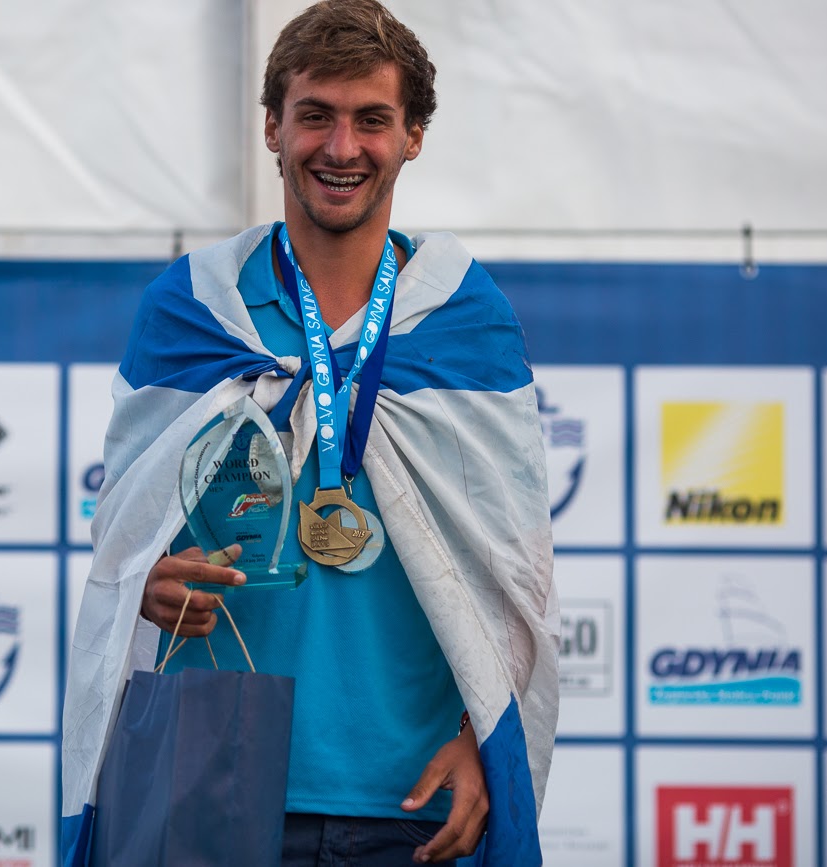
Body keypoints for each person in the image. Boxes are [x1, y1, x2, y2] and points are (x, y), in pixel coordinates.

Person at [61, 2, 558, 864]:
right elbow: (125, 531)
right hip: (205, 771)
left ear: (414, 136)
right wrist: (146, 573)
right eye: (315, 116)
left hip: (412, 793)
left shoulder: (466, 318)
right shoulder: (191, 307)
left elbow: (518, 574)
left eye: (372, 119)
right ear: (271, 128)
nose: (340, 148)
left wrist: (485, 743)